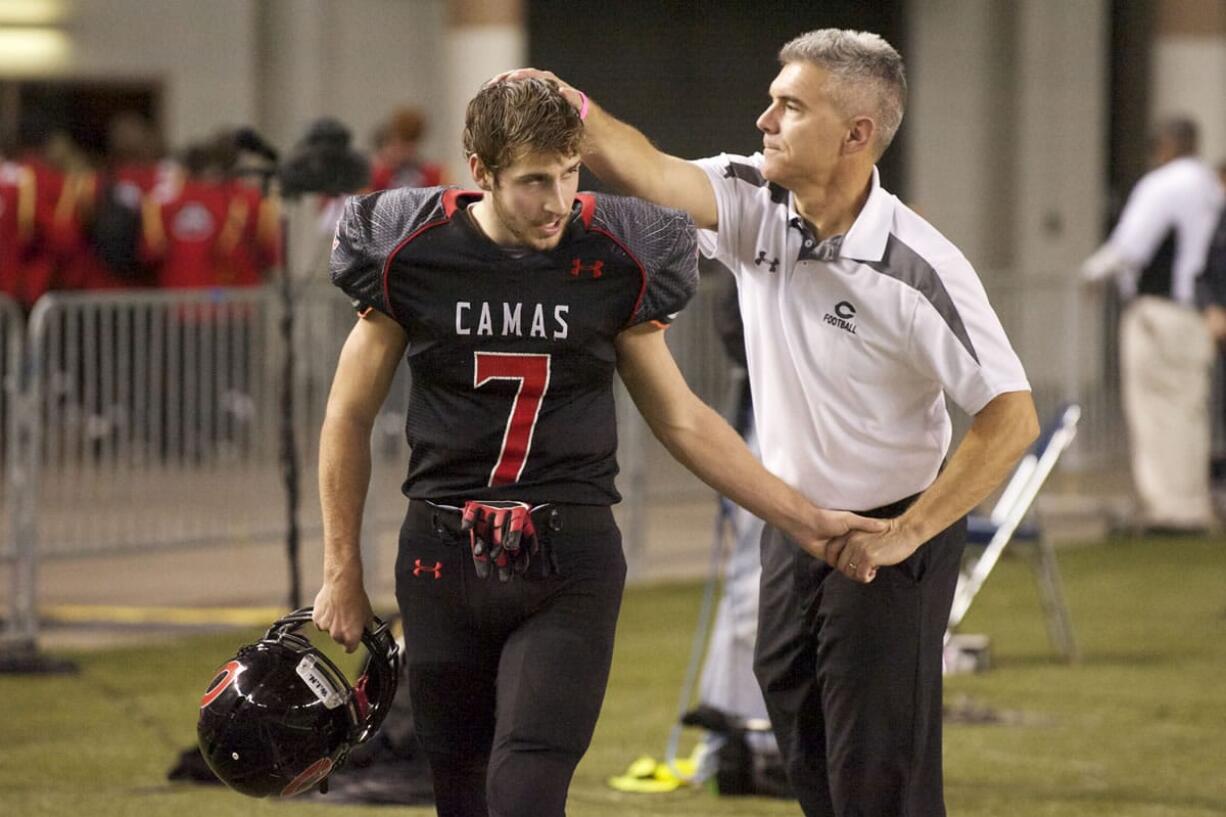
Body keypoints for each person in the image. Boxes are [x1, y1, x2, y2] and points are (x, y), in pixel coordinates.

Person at [310, 77, 883, 817]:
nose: (558, 200)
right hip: (441, 559)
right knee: (461, 791)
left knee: (525, 785)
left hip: (565, 562)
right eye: (534, 181)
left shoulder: (614, 253)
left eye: (571, 172)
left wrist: (805, 517)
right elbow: (346, 415)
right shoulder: (412, 249)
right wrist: (340, 571)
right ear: (480, 171)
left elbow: (681, 419)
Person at [504, 27, 1038, 817]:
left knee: (878, 778)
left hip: (887, 539)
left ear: (857, 134)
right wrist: (571, 104)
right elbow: (652, 172)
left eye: (790, 107)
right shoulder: (754, 198)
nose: (765, 120)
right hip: (791, 529)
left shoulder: (919, 268)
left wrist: (910, 532)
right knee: (806, 755)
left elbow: (1012, 417)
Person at [1082, 116, 1223, 534]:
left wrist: (1091, 274)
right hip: (1198, 312)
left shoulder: (1165, 184)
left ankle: (1168, 509)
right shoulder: (1212, 188)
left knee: (1156, 412)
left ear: (1164, 145)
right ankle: (1192, 504)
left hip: (1160, 311)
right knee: (1190, 412)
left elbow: (1130, 244)